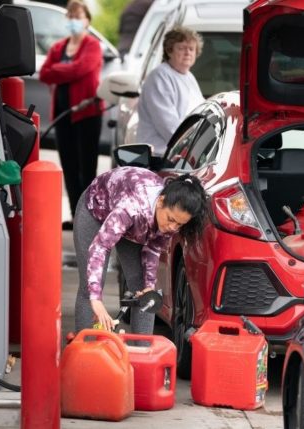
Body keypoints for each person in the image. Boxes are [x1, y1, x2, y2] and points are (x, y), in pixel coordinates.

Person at [73, 168, 208, 334]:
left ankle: (143, 352)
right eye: (171, 220)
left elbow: (154, 247)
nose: (173, 227)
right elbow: (101, 245)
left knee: (144, 292)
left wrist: (149, 285)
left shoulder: (169, 218)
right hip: (97, 210)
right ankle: (83, 352)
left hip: (132, 226)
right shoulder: (132, 207)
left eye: (179, 224)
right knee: (91, 287)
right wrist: (96, 300)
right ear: (160, 201)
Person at [39, 0, 105, 230]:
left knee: (86, 166)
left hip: (86, 113)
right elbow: (45, 74)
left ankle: (90, 216)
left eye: (78, 16)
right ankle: (75, 215)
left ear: (87, 20)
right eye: (71, 16)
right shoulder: (58, 47)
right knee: (68, 164)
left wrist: (61, 71)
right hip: (63, 115)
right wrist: (66, 71)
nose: (74, 21)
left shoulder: (93, 45)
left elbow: (81, 69)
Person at [136, 26, 205, 154]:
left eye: (191, 49)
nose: (188, 53)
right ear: (169, 51)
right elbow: (168, 125)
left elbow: (202, 110)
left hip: (181, 153)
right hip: (159, 155)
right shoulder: (160, 76)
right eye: (181, 48)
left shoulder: (188, 76)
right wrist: (192, 144)